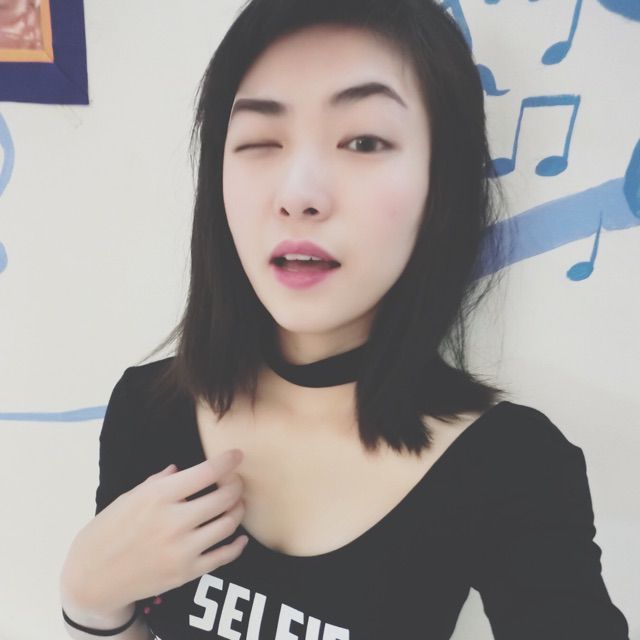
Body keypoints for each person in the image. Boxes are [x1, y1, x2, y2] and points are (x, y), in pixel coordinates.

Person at [59, 0, 631, 638]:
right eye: (259, 140)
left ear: (440, 182)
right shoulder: (148, 409)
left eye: (364, 141)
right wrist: (89, 601)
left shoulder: (511, 467)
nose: (298, 195)